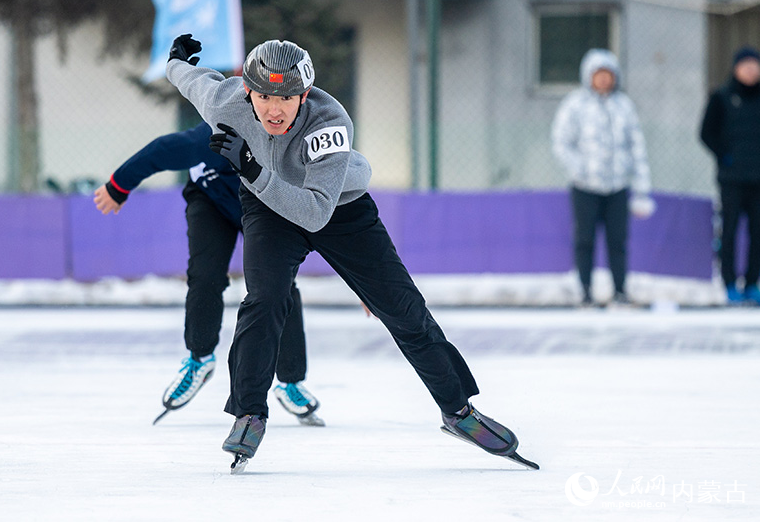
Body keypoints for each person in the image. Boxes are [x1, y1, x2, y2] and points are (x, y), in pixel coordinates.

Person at [165, 34, 537, 472]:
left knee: (404, 310)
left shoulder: (329, 121)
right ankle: (249, 413)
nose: (275, 108)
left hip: (337, 207)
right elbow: (192, 81)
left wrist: (250, 168)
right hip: (268, 210)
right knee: (263, 301)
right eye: (264, 95)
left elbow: (315, 212)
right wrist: (176, 61)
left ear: (304, 95)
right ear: (247, 90)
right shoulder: (226, 102)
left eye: (287, 97)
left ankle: (458, 411)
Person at [93, 123, 325, 426]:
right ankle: (199, 359)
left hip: (262, 204)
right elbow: (160, 152)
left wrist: (365, 282)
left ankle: (290, 381)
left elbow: (333, 208)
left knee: (279, 282)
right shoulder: (215, 136)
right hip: (211, 202)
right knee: (205, 275)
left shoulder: (292, 146)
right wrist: (118, 186)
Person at [551, 48, 654, 307]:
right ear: (589, 76)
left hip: (618, 186)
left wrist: (641, 187)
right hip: (585, 187)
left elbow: (637, 146)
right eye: (599, 74)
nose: (604, 79)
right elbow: (561, 142)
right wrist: (580, 169)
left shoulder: (624, 106)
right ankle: (584, 290)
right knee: (584, 240)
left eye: (608, 74)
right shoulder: (575, 105)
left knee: (617, 241)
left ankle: (619, 290)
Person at [700, 45, 760, 306]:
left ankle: (752, 282)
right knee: (730, 231)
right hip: (732, 179)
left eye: (754, 65)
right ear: (736, 68)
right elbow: (706, 132)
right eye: (745, 65)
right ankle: (729, 283)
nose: (750, 70)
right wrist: (724, 155)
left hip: (758, 179)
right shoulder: (722, 97)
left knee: (758, 233)